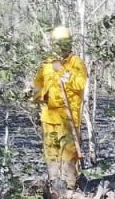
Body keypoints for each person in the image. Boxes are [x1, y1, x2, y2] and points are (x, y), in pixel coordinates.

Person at [31, 26, 87, 190]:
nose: (61, 47)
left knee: (68, 153)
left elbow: (80, 84)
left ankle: (69, 187)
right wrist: (39, 95)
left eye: (64, 43)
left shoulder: (76, 63)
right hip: (48, 117)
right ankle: (54, 185)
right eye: (58, 44)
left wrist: (61, 70)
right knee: (51, 152)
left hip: (67, 118)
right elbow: (37, 84)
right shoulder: (47, 63)